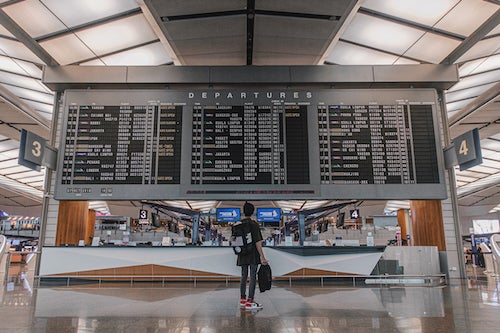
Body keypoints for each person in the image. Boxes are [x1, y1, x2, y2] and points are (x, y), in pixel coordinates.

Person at [237, 202, 268, 310]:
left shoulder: (238, 224)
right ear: (253, 211)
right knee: (253, 276)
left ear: (243, 211)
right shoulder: (254, 225)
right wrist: (262, 256)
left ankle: (242, 300)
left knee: (243, 276)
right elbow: (258, 242)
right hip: (253, 254)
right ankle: (250, 302)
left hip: (242, 254)